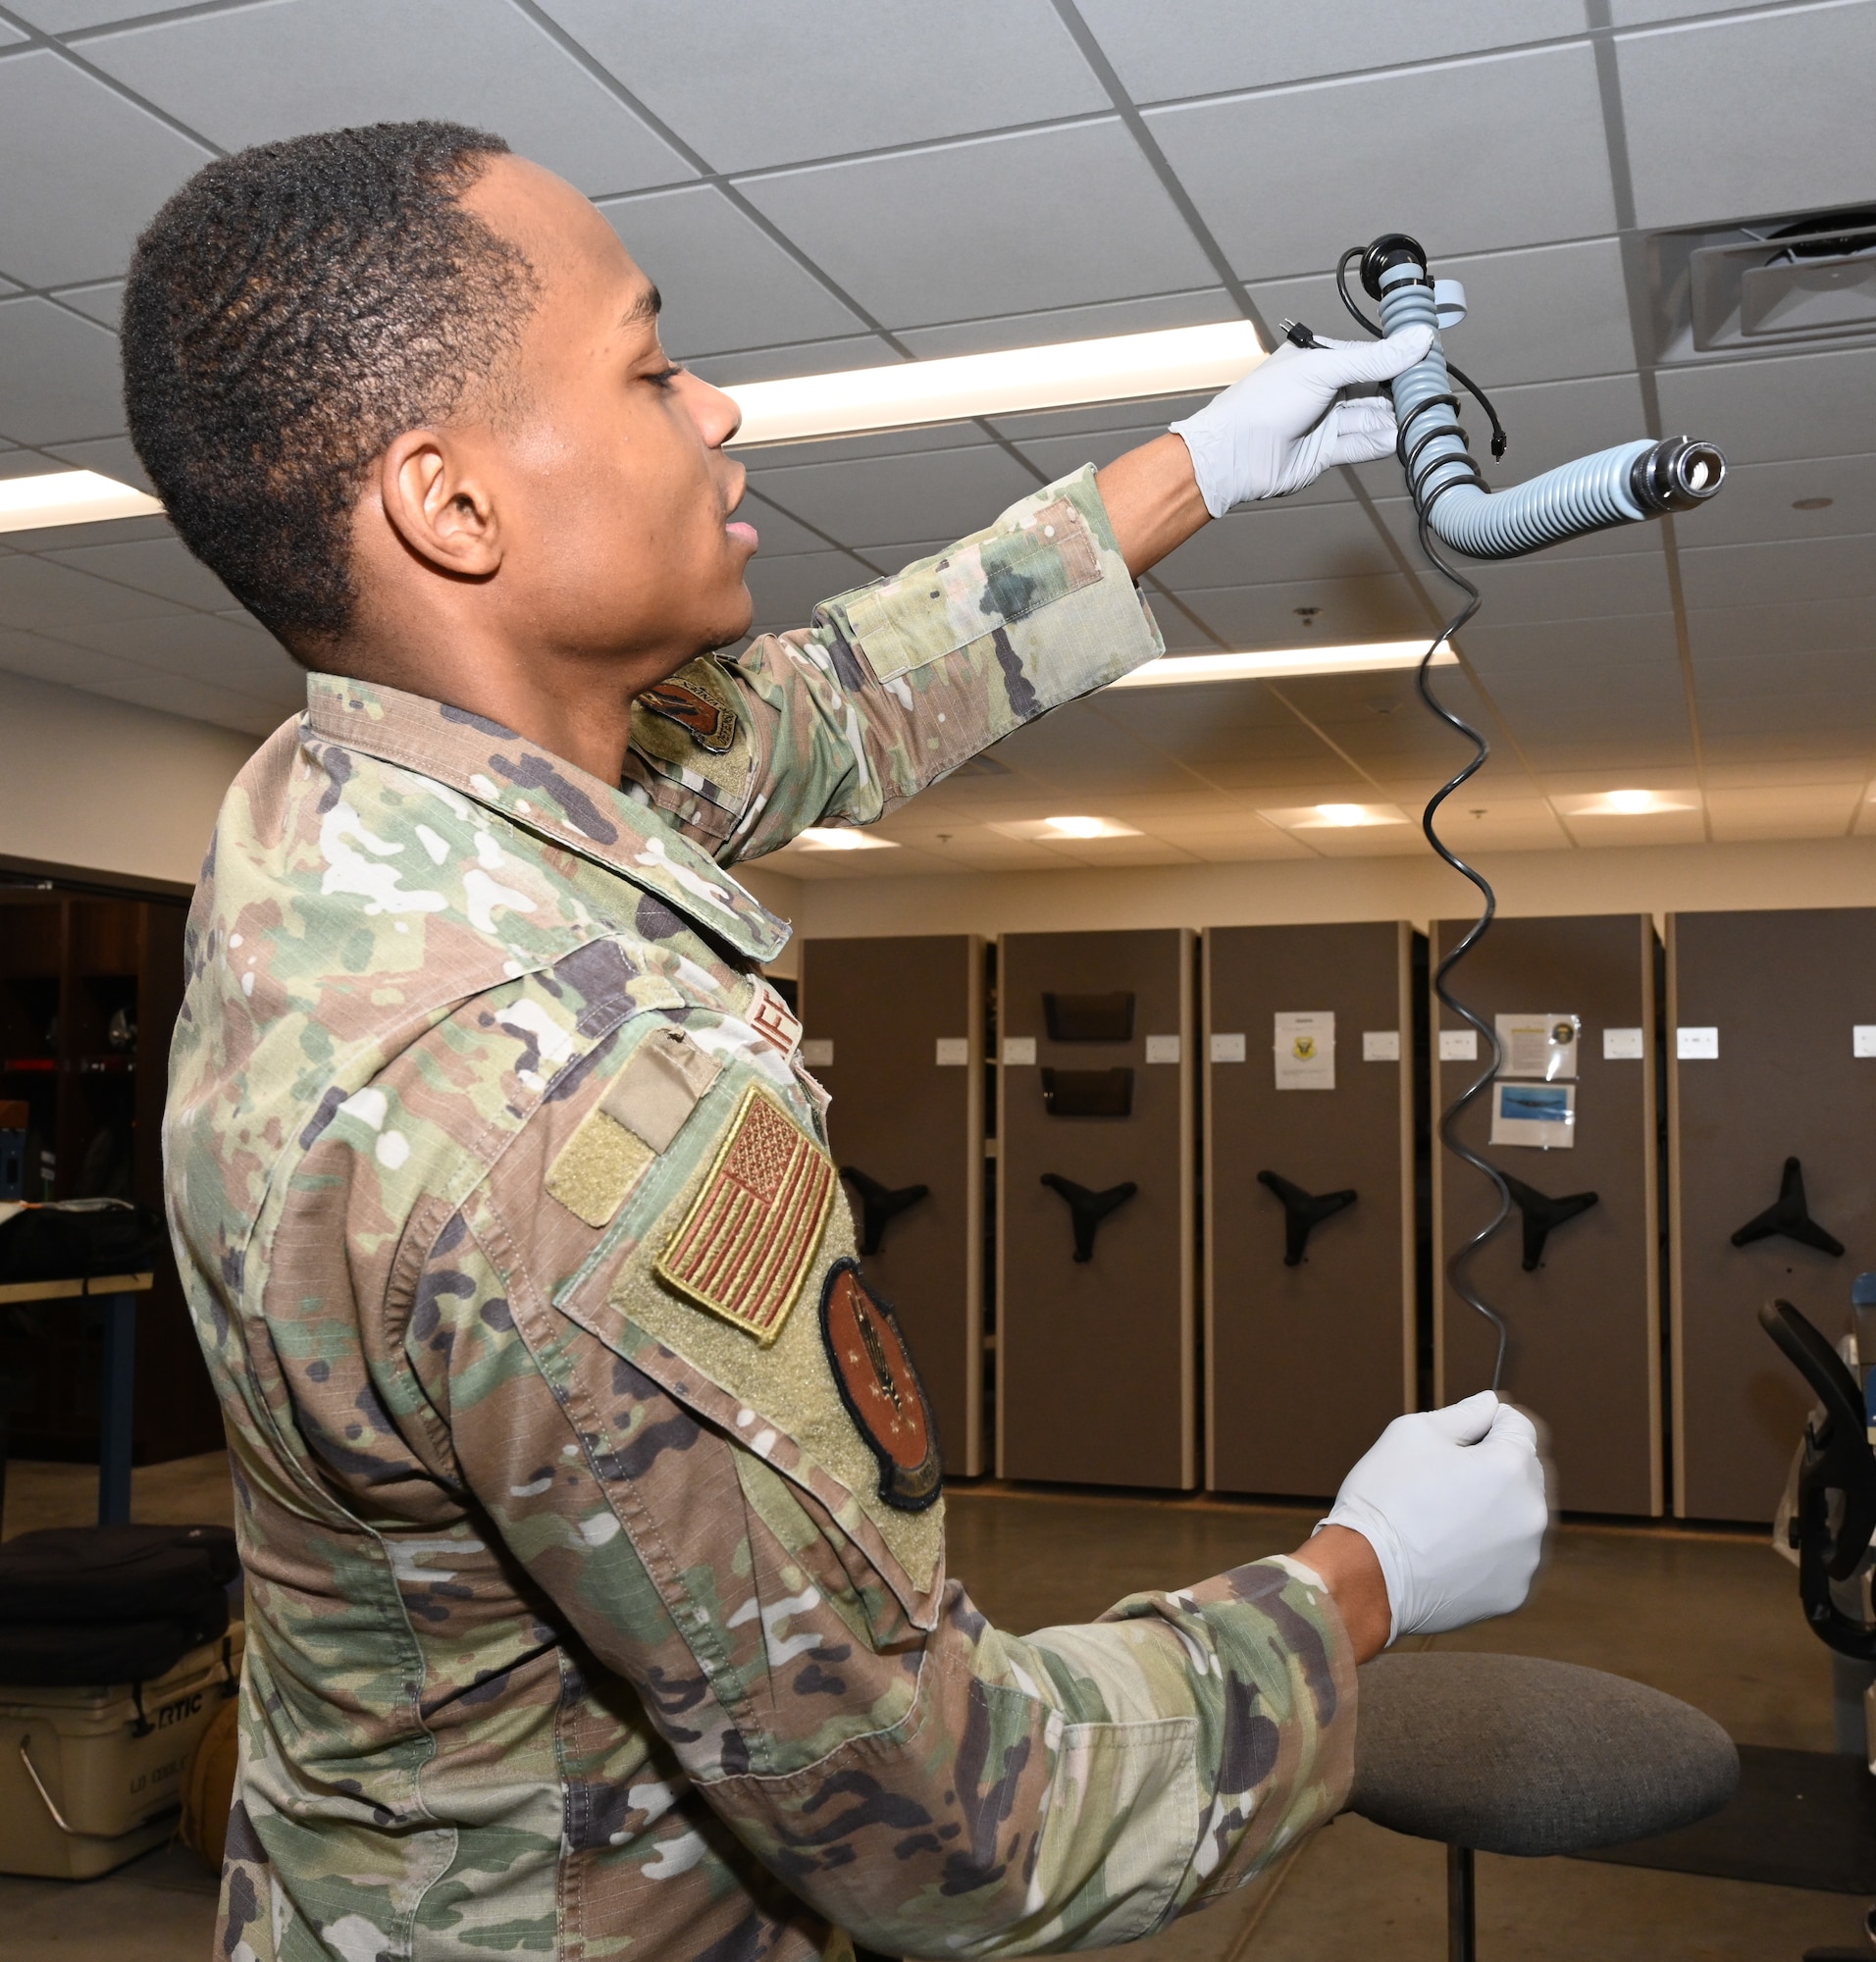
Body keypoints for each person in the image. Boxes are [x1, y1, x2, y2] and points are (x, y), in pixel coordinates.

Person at [133, 122, 1547, 1962]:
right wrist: (1361, 1583)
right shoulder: (562, 1125)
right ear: (450, 504)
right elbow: (948, 1821)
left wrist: (1201, 466)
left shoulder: (341, 819)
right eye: (647, 368)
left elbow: (819, 710)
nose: (718, 409)